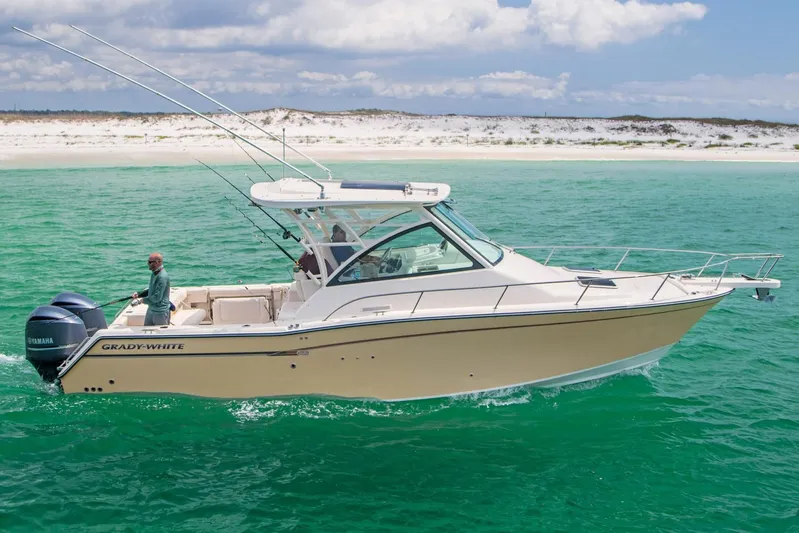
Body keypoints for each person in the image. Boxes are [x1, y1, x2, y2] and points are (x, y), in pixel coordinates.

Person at [132, 252, 171, 326]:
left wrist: (141, 301)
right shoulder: (154, 273)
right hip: (151, 310)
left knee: (160, 336)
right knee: (145, 332)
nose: (148, 264)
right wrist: (139, 294)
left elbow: (157, 297)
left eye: (150, 262)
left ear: (157, 262)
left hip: (160, 313)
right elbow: (151, 290)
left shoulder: (162, 277)